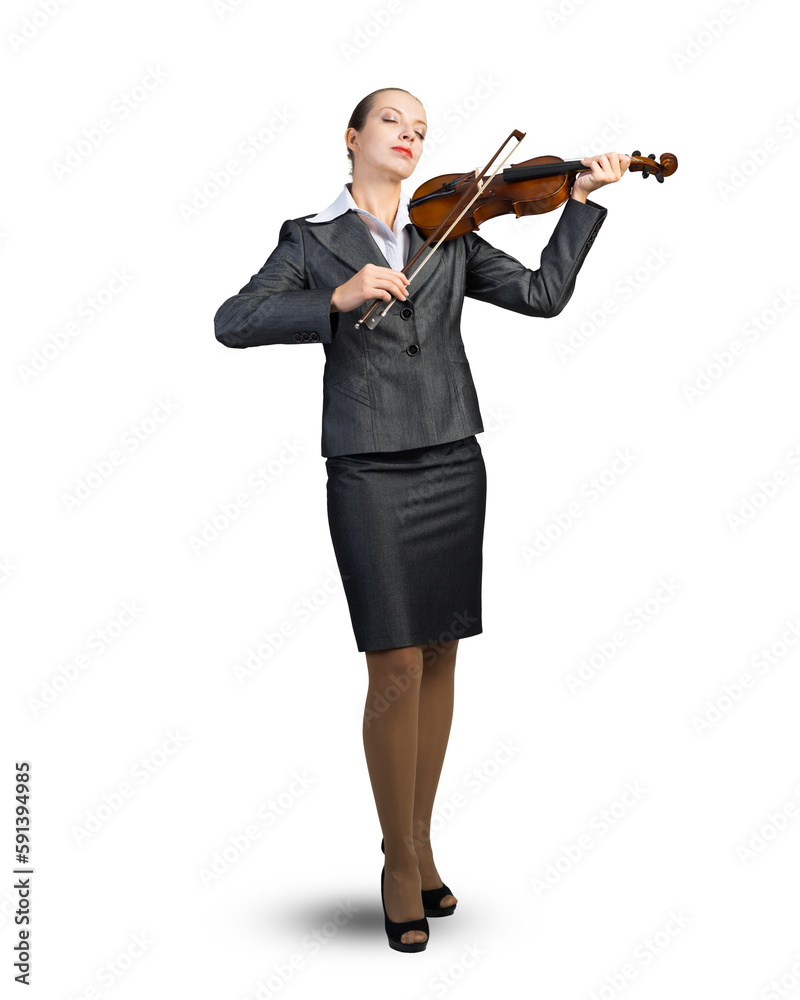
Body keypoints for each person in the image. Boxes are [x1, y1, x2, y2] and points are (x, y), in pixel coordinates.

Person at [214, 87, 630, 952]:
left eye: (422, 129)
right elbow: (234, 321)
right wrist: (333, 300)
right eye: (393, 123)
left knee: (439, 653)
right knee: (394, 665)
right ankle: (398, 862)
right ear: (352, 138)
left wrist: (580, 205)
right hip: (368, 467)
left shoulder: (452, 226)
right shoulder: (311, 240)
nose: (410, 136)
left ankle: (421, 840)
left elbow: (546, 295)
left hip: (451, 461)